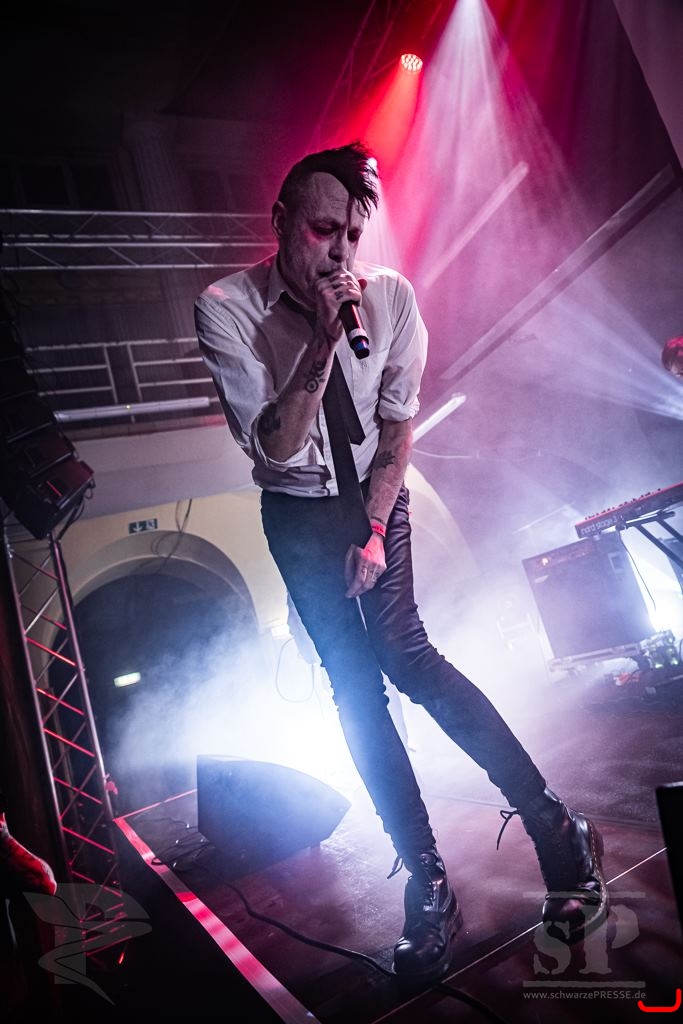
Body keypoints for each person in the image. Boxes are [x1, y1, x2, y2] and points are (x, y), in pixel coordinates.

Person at [194, 141, 608, 985]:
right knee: (353, 690)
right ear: (280, 222)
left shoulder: (389, 298)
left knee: (405, 655)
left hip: (376, 499)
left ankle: (554, 828)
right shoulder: (226, 308)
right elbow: (275, 448)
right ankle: (427, 880)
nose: (340, 253)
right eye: (322, 231)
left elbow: (394, 427)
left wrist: (376, 531)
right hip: (297, 512)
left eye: (352, 235)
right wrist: (319, 341)